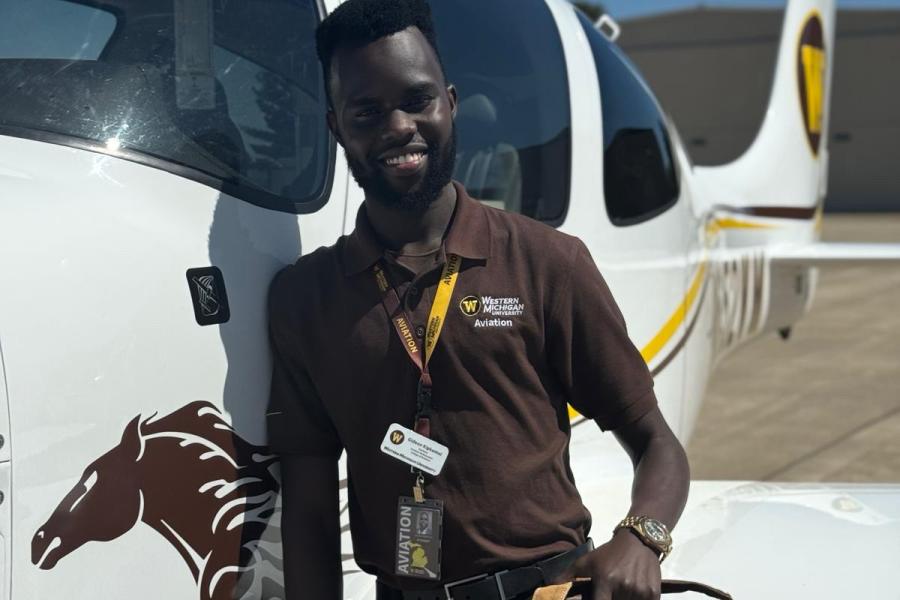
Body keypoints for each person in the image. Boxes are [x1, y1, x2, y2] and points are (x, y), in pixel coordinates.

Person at [266, 0, 690, 598]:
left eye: (417, 100)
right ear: (337, 127)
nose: (398, 128)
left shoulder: (549, 263)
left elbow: (656, 442)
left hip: (549, 589)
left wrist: (642, 538)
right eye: (367, 112)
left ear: (451, 104)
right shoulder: (304, 298)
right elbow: (308, 504)